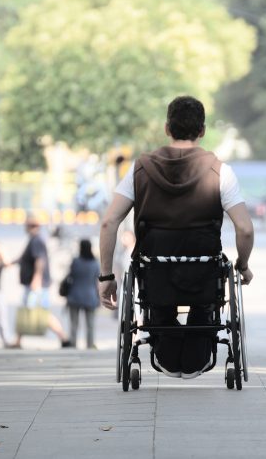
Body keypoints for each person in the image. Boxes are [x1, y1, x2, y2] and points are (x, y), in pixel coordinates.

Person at [98, 95, 254, 379]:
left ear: (167, 128)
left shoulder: (140, 169)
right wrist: (243, 265)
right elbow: (245, 229)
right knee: (205, 301)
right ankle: (199, 334)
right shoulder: (220, 172)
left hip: (155, 272)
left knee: (159, 302)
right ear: (203, 130)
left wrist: (106, 276)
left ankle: (164, 336)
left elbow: (109, 222)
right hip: (203, 272)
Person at [9, 214, 71, 348]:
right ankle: (18, 340)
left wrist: (36, 279)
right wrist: (11, 262)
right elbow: (24, 258)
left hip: (37, 285)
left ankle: (63, 337)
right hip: (36, 284)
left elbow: (39, 260)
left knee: (40, 312)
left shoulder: (37, 240)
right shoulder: (34, 240)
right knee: (29, 310)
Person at [66, 239, 100, 349]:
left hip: (75, 295)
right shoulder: (95, 263)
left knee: (74, 324)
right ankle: (89, 345)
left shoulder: (76, 261)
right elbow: (97, 281)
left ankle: (73, 343)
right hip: (90, 296)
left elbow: (71, 275)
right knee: (90, 324)